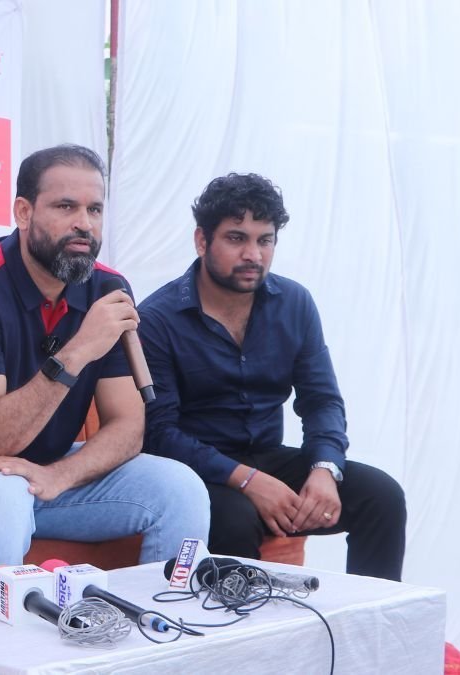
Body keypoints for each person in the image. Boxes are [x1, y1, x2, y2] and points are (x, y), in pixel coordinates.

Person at [0, 144, 210, 595]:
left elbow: (129, 427)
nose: (84, 223)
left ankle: (156, 630)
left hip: (40, 474)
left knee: (181, 489)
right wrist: (77, 352)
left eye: (94, 209)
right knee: (1, 499)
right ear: (23, 212)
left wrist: (60, 476)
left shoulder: (109, 288)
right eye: (66, 207)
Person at [137, 172, 406, 581]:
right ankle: (240, 621)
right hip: (199, 471)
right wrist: (248, 481)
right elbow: (160, 434)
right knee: (234, 518)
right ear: (202, 241)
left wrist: (324, 468)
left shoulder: (294, 303)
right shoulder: (158, 318)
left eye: (265, 240)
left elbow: (321, 401)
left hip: (268, 456)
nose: (253, 254)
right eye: (236, 238)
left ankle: (373, 618)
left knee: (381, 497)